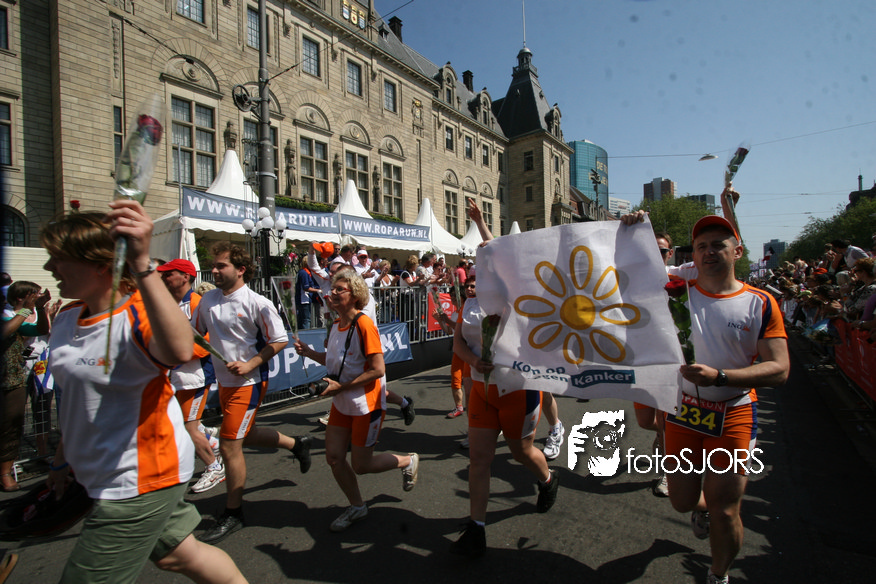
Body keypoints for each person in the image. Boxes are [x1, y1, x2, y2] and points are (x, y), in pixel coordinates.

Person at [41, 202, 246, 584]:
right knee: (181, 556)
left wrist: (142, 263)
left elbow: (181, 350)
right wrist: (60, 462)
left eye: (59, 258)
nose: (49, 267)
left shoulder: (139, 313)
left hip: (139, 476)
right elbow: (76, 404)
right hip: (99, 475)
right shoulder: (66, 317)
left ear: (99, 264)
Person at [661, 215, 789, 584]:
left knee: (727, 510)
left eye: (718, 244)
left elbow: (780, 369)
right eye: (701, 246)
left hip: (733, 413)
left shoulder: (760, 303)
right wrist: (631, 227)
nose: (708, 252)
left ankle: (719, 575)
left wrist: (721, 376)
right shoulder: (674, 292)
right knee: (682, 501)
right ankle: (701, 508)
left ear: (738, 252)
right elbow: (623, 271)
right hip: (683, 412)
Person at [192, 242, 312, 543]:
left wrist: (251, 364)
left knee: (230, 445)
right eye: (214, 266)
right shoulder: (207, 300)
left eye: (221, 266)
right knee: (247, 433)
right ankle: (297, 444)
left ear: (240, 269)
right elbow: (194, 334)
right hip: (224, 383)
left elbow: (279, 339)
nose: (214, 270)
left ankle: (233, 513)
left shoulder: (257, 302)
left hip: (250, 382)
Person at [293, 270, 419, 532]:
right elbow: (334, 362)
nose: (332, 293)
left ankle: (408, 461)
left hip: (366, 405)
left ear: (355, 295)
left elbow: (378, 370)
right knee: (334, 458)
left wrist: (342, 387)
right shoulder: (336, 325)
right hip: (342, 403)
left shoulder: (364, 324)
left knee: (361, 465)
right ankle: (357, 506)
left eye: (340, 289)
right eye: (333, 289)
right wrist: (309, 353)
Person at [449, 272, 559, 557]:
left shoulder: (520, 299)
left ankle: (548, 480)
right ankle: (476, 528)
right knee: (478, 459)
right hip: (482, 392)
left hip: (518, 391)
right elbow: (458, 342)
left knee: (521, 452)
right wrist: (473, 361)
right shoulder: (469, 303)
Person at [157, 259, 224, 494]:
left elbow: (207, 343)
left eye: (169, 274)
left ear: (185, 277)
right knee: (181, 423)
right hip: (176, 376)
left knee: (188, 426)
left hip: (196, 376)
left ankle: (214, 467)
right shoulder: (170, 303)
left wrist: (175, 355)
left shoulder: (197, 303)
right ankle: (213, 443)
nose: (164, 278)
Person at [1, 282, 51, 491]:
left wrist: (40, 309)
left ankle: (5, 473)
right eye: (34, 295)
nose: (36, 297)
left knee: (11, 427)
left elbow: (41, 329)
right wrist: (26, 310)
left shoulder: (19, 318)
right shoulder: (7, 316)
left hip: (12, 380)